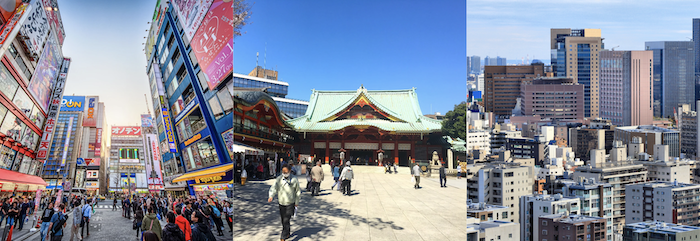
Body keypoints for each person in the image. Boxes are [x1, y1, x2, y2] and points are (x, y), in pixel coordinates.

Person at [268, 164, 301, 241]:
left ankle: (283, 237)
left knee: (286, 219)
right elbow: (274, 188)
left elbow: (298, 191)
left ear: (290, 171)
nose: (284, 173)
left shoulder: (294, 179)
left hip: (290, 203)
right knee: (283, 220)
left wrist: (297, 202)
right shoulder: (279, 179)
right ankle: (287, 232)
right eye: (283, 171)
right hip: (281, 203)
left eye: (286, 172)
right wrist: (271, 196)